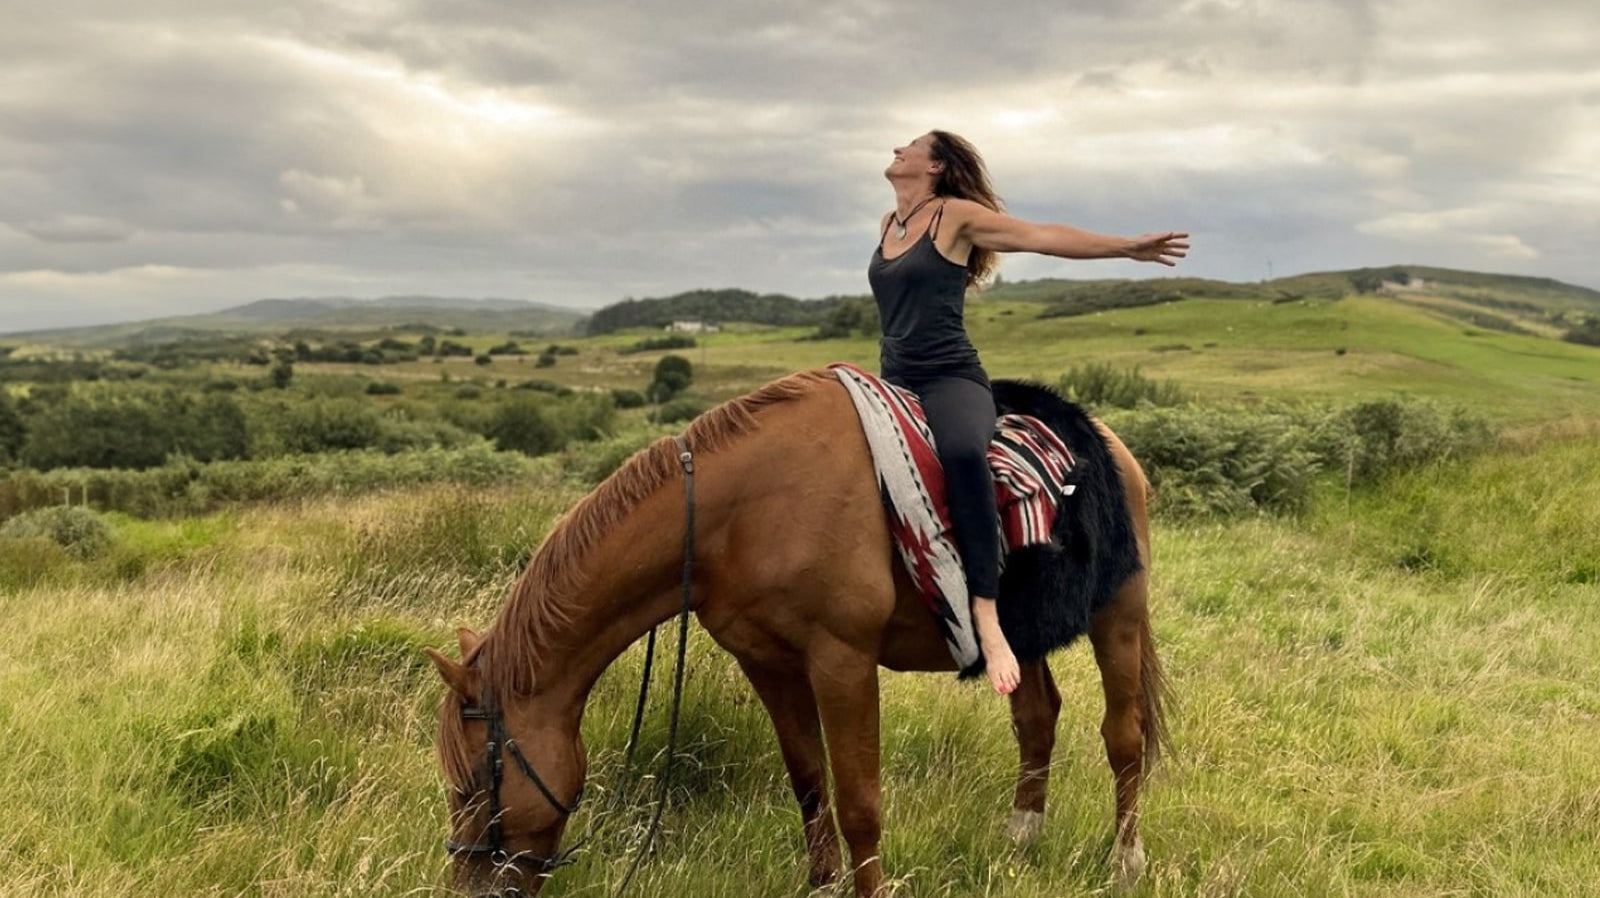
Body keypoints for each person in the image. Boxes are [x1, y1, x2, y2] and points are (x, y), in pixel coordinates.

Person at [868, 130, 1188, 696]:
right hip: (894, 381)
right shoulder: (887, 226)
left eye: (911, 144)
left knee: (965, 454)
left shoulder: (955, 217)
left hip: (949, 378)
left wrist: (1124, 248)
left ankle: (987, 615)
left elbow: (1041, 236)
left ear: (935, 165)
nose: (898, 148)